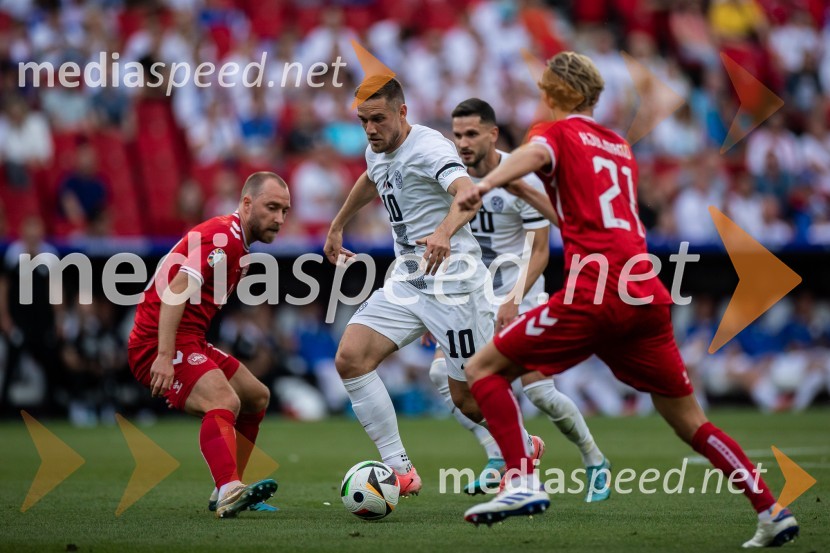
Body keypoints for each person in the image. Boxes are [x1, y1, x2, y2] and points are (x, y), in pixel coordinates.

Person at [456, 52, 799, 548]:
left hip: (596, 290)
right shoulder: (619, 146)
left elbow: (531, 157)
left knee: (482, 370)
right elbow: (577, 215)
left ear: (553, 93)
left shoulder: (553, 133)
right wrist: (527, 196)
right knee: (692, 422)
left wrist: (486, 183)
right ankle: (771, 510)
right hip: (645, 293)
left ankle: (521, 481)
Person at [323, 78, 543, 496]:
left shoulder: (430, 148)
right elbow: (372, 177)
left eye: (378, 119)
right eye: (363, 121)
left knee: (468, 401)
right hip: (408, 279)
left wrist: (443, 232)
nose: (370, 129)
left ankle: (523, 445)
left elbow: (468, 192)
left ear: (402, 112)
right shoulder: (377, 148)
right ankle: (400, 470)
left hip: (454, 286)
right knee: (351, 358)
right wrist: (338, 224)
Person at [427, 98, 609, 499]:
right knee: (442, 375)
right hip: (470, 295)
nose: (463, 143)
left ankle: (594, 459)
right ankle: (500, 455)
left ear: (493, 134)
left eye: (471, 134)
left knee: (539, 392)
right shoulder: (449, 178)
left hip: (520, 293)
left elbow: (541, 250)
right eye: (457, 135)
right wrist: (434, 308)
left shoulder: (518, 177)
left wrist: (512, 300)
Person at [128, 172, 289, 518]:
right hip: (157, 342)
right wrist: (165, 356)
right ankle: (230, 487)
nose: (279, 219)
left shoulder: (238, 245)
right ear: (247, 204)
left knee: (256, 396)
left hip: (190, 339)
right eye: (272, 208)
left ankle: (228, 488)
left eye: (285, 211)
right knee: (224, 400)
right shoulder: (224, 238)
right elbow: (175, 292)